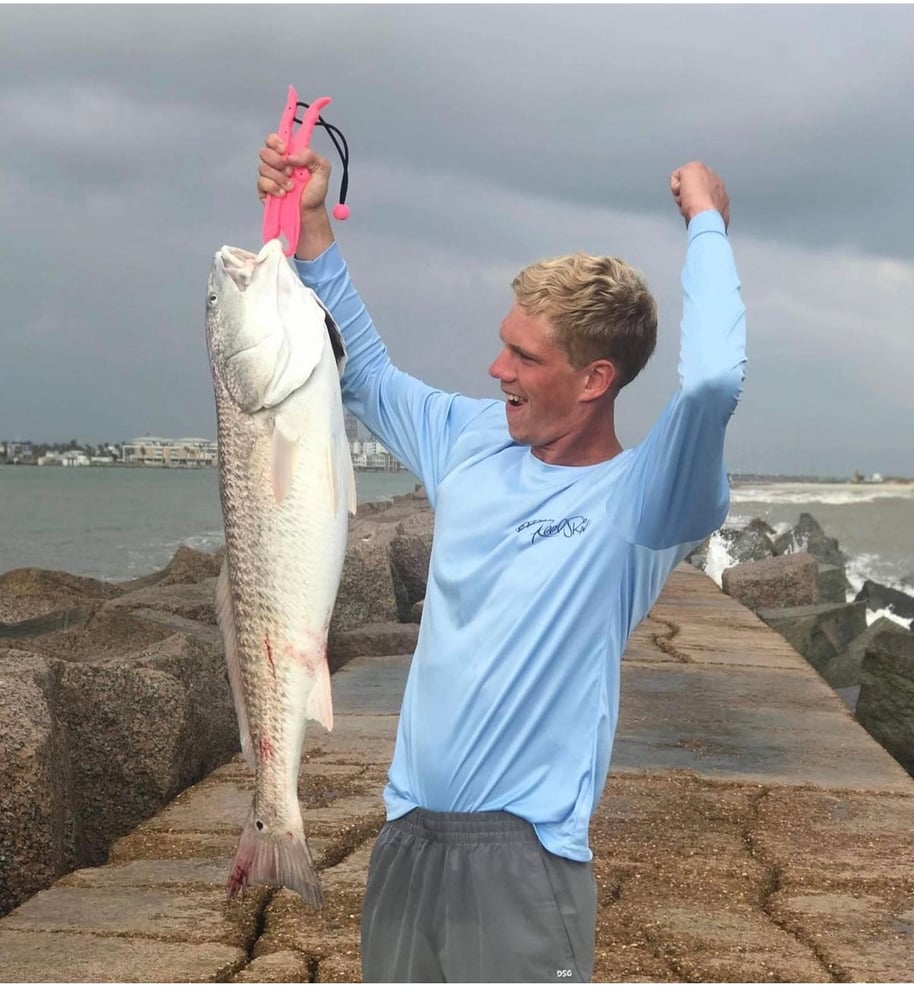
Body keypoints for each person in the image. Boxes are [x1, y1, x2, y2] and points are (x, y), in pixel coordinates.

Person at [257, 135, 746, 983]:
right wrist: (310, 229)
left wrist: (706, 223)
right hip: (407, 832)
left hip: (525, 857)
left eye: (524, 356)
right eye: (503, 344)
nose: (496, 368)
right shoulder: (472, 439)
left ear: (594, 379)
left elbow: (707, 385)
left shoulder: (646, 500)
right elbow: (361, 372)